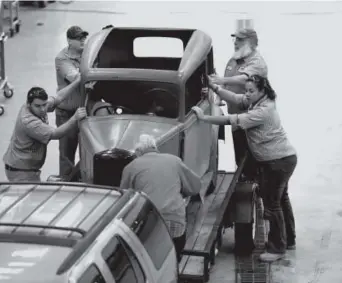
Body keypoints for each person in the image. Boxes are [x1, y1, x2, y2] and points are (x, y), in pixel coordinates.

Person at [192, 75, 297, 262]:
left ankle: (277, 248)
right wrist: (216, 88)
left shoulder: (262, 111)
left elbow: (231, 120)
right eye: (246, 90)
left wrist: (204, 118)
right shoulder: (259, 101)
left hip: (277, 162)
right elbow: (235, 98)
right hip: (283, 159)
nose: (247, 95)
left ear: (262, 91)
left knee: (272, 205)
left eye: (251, 91)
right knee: (280, 200)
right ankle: (288, 239)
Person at [119, 134, 202, 259]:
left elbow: (124, 199)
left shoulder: (130, 167)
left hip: (148, 223)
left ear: (138, 151)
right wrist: (181, 192)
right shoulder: (174, 161)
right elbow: (195, 186)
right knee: (174, 257)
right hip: (175, 222)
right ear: (154, 147)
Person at [209, 27, 268, 182]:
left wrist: (221, 81)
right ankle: (245, 181)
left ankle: (257, 194)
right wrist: (218, 99)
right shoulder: (233, 60)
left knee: (253, 161)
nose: (236, 43)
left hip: (252, 122)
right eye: (235, 39)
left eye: (240, 40)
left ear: (251, 42)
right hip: (236, 118)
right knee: (240, 157)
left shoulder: (257, 62)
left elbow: (244, 79)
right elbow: (226, 82)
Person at [3, 78, 87, 182]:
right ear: (29, 104)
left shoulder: (36, 106)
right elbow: (55, 134)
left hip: (27, 168)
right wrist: (75, 118)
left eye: (44, 105)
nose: (43, 109)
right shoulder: (29, 122)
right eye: (38, 106)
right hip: (21, 172)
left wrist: (77, 81)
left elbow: (58, 97)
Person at [55, 25, 89, 178]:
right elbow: (77, 78)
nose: (83, 41)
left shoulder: (88, 54)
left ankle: (82, 179)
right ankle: (66, 182)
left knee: (87, 151)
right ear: (69, 40)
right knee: (66, 154)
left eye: (84, 37)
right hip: (66, 114)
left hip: (85, 113)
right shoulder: (62, 59)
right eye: (78, 38)